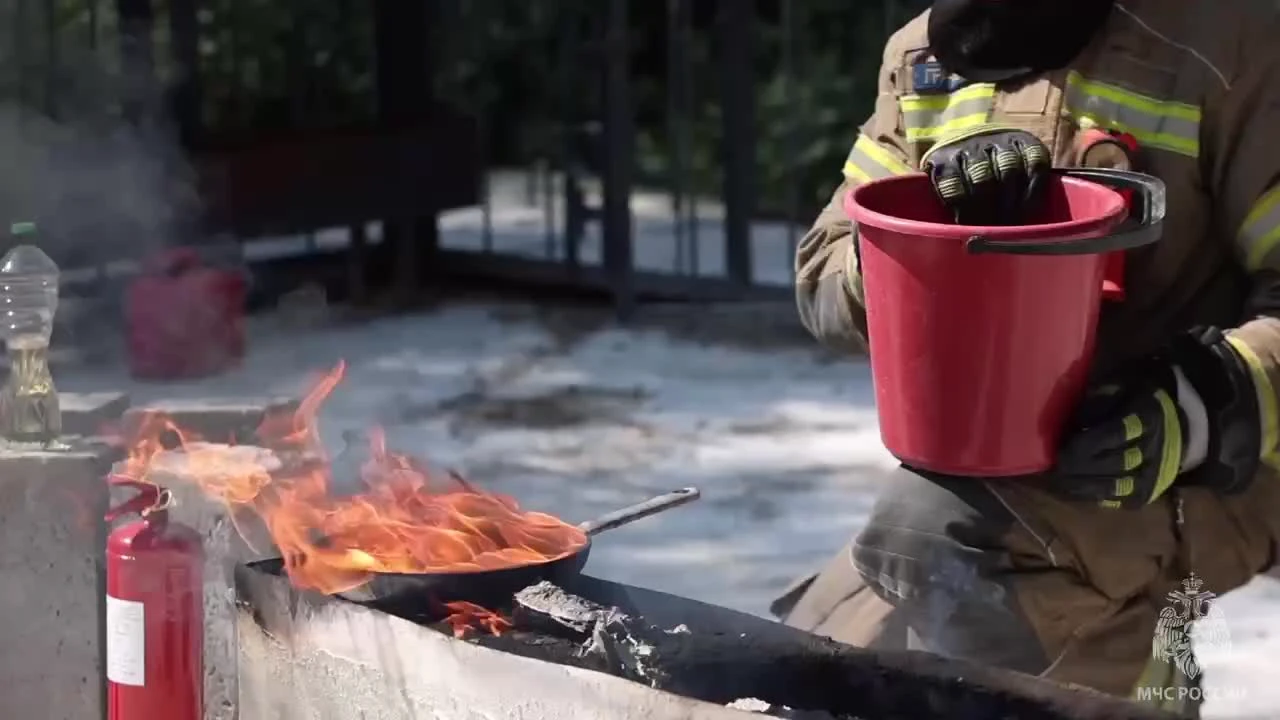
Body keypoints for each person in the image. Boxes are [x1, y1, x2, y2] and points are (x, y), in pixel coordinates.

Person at [773, 0, 1280, 715]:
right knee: (819, 661)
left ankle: (1142, 693)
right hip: (990, 457)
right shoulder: (923, 56)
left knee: (940, 538)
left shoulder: (1232, 45)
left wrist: (1196, 407)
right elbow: (821, 276)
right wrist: (922, 222)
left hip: (1213, 457)